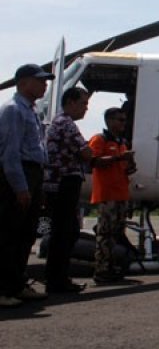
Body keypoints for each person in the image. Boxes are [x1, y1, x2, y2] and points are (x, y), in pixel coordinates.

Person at [0, 64, 55, 307]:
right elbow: (10, 153)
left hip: (32, 174)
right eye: (40, 80)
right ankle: (2, 289)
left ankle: (16, 284)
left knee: (25, 235)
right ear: (22, 83)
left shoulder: (30, 111)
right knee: (9, 235)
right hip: (19, 174)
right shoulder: (13, 110)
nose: (45, 85)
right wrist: (20, 188)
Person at [44, 87, 92, 293]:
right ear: (71, 102)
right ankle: (57, 279)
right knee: (66, 231)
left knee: (65, 230)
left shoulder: (58, 122)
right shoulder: (67, 125)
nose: (86, 109)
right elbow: (86, 153)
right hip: (64, 184)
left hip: (57, 183)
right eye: (83, 104)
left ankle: (57, 277)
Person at [89, 107, 136, 283]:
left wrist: (129, 163)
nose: (123, 123)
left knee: (116, 233)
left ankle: (112, 267)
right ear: (109, 121)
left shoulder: (121, 142)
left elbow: (126, 169)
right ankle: (101, 270)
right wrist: (118, 158)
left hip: (121, 193)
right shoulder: (100, 139)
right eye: (120, 120)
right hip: (107, 193)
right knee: (105, 233)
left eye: (124, 120)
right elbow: (94, 162)